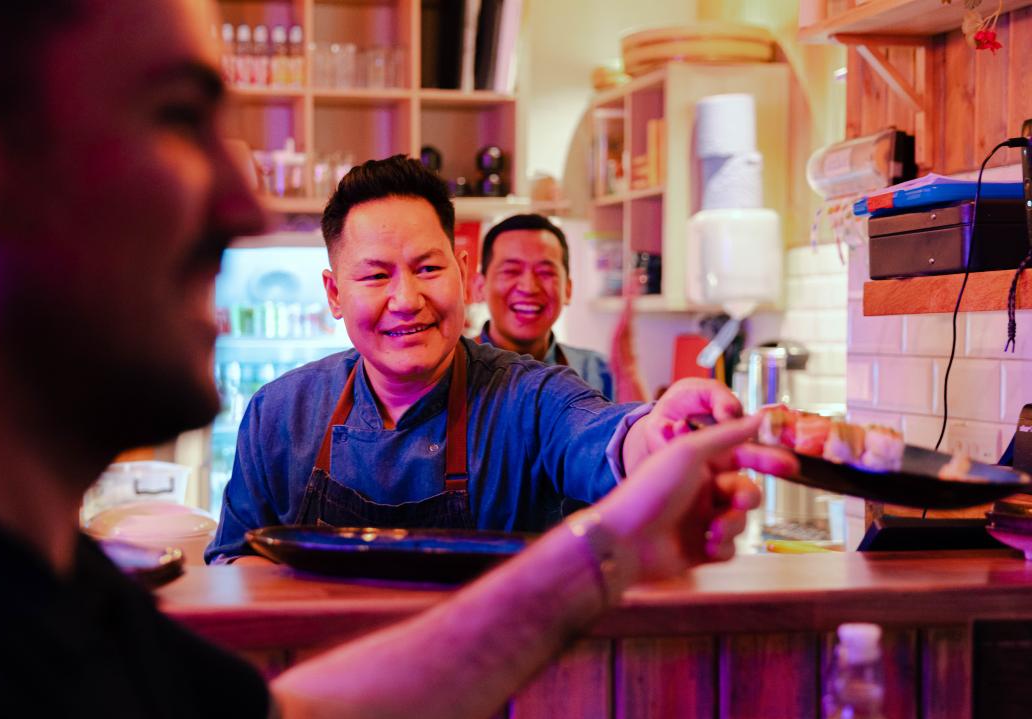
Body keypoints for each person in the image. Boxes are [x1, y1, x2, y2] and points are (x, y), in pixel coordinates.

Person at [0, 0, 795, 719]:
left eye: (426, 269)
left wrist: (632, 495)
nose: (250, 205)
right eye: (174, 117)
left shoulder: (59, 599)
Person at [205, 156, 747, 562]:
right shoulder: (280, 413)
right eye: (375, 275)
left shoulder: (531, 399)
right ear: (334, 293)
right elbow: (232, 565)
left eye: (428, 269)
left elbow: (610, 436)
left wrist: (665, 432)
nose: (406, 299)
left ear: (463, 273)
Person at [473, 213, 614, 398]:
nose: (529, 287)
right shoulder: (447, 372)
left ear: (568, 289)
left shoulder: (599, 373)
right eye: (511, 271)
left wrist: (630, 375)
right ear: (480, 287)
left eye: (545, 272)